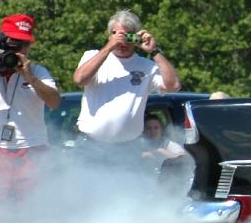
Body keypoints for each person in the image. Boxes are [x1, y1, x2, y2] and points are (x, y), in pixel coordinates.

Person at [73, 9, 181, 146]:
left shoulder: (146, 66)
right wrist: (108, 47)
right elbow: (79, 80)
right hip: (90, 143)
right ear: (110, 35)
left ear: (136, 37)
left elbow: (173, 86)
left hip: (129, 146)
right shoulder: (92, 56)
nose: (123, 42)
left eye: (128, 36)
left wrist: (154, 51)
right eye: (117, 35)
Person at [0, 14, 61, 197]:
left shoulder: (38, 72)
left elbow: (55, 102)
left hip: (32, 150)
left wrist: (30, 78)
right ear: (2, 43)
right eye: (15, 43)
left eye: (25, 44)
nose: (21, 49)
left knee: (35, 207)